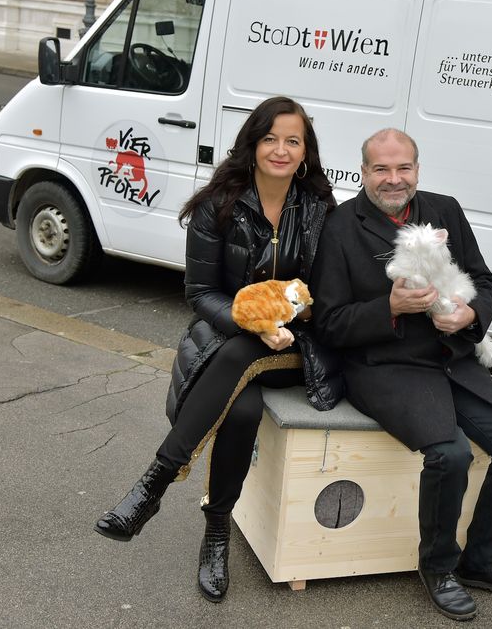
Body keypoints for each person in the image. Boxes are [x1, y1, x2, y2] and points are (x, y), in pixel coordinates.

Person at [93, 96, 336, 603]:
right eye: (270, 138)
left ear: (306, 151)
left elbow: (328, 291)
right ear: (253, 144)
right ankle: (217, 529)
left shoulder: (319, 209)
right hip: (232, 336)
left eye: (293, 141)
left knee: (241, 360)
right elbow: (201, 293)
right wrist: (252, 321)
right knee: (242, 409)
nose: (281, 149)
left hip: (297, 346)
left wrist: (289, 314)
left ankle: (154, 483)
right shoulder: (218, 205)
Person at [311, 128, 492, 622]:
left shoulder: (445, 210)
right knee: (450, 454)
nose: (393, 179)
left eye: (403, 168)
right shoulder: (341, 226)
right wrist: (390, 307)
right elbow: (329, 323)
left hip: (452, 358)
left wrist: (470, 315)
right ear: (363, 172)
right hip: (385, 366)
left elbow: (483, 282)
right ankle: (438, 568)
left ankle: (483, 559)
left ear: (417, 169)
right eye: (381, 169)